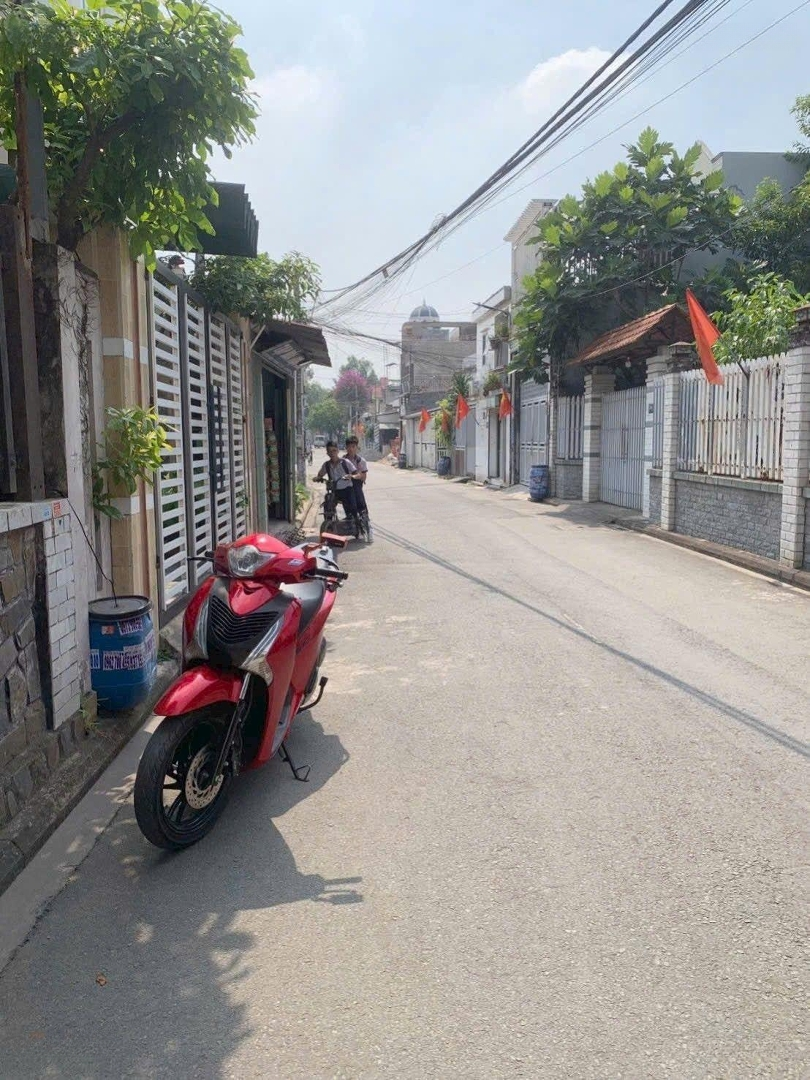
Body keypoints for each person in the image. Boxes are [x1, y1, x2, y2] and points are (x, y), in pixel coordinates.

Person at [315, 442, 358, 525]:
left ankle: (356, 525)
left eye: (334, 450)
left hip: (347, 490)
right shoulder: (326, 465)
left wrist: (351, 476)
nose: (332, 453)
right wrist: (318, 478)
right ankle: (329, 523)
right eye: (330, 451)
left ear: (338, 451)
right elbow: (320, 474)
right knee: (328, 502)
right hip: (334, 491)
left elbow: (356, 473)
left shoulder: (345, 462)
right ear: (327, 453)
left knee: (351, 511)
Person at [344, 437, 373, 542]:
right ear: (346, 447)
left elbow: (363, 477)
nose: (351, 449)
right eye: (349, 447)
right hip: (344, 487)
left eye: (353, 447)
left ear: (357, 447)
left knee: (361, 507)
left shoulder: (361, 461)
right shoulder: (342, 460)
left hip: (356, 487)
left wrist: (353, 477)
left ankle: (368, 529)